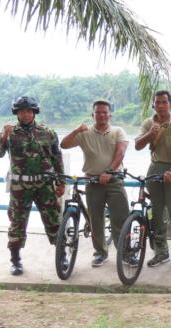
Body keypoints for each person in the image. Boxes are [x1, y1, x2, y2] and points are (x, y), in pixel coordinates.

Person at [0, 96, 65, 275]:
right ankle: (15, 260)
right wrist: (4, 136)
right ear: (17, 113)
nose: (26, 114)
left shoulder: (48, 132)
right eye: (22, 111)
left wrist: (61, 182)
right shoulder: (10, 132)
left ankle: (62, 256)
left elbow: (57, 158)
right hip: (20, 186)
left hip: (44, 185)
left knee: (54, 221)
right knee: (17, 223)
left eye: (29, 111)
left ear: (34, 112)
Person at [60, 100, 130, 267]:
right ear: (93, 115)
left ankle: (126, 253)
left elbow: (120, 153)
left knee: (120, 218)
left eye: (105, 112)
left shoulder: (118, 131)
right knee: (95, 220)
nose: (102, 115)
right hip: (92, 181)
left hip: (114, 180)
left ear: (110, 114)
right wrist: (76, 130)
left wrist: (109, 172)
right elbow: (64, 144)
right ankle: (100, 252)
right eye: (98, 112)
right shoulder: (85, 133)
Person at [135, 90, 171, 270]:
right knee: (156, 213)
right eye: (157, 102)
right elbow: (138, 146)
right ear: (153, 105)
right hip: (155, 167)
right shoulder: (148, 123)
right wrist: (150, 133)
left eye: (164, 102)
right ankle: (161, 252)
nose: (161, 105)